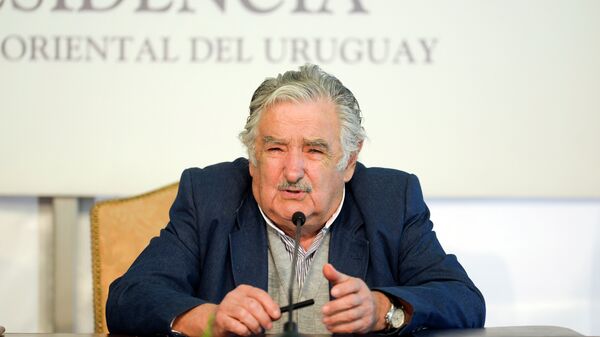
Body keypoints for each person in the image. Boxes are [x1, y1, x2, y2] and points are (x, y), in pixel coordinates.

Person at [106, 64, 485, 336]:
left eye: (315, 150)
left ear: (349, 160)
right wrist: (209, 319)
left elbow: (463, 300)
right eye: (275, 148)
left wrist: (384, 310)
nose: (292, 171)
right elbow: (128, 298)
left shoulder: (390, 200)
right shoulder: (210, 195)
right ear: (253, 157)